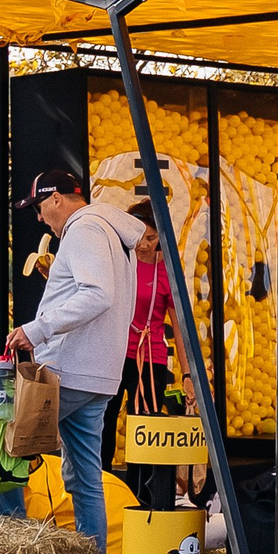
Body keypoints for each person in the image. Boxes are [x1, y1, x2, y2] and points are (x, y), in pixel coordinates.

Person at [0, 169, 150, 554]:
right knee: (85, 478)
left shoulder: (84, 229)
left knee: (1, 450)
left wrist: (37, 328)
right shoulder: (116, 235)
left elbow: (97, 295)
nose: (38, 218)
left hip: (68, 371)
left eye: (38, 207)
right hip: (99, 372)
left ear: (56, 199)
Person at [118, 201, 186, 509]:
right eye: (139, 236)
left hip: (151, 358)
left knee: (144, 430)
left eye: (151, 237)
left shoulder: (166, 270)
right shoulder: (117, 261)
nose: (144, 244)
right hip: (114, 354)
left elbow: (180, 327)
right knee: (104, 426)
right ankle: (106, 495)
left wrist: (187, 375)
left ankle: (141, 501)